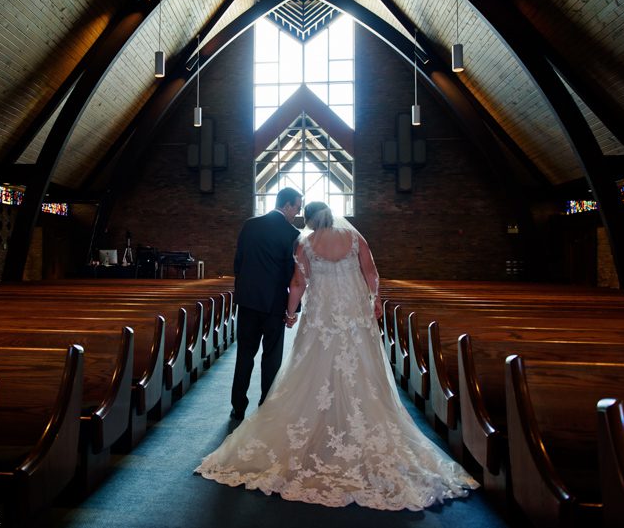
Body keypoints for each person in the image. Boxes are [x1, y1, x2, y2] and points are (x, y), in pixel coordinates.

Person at [196, 201, 478, 510]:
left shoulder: (305, 241)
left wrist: (290, 314)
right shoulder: (355, 238)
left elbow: (298, 283)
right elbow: (371, 272)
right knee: (360, 374)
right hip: (354, 320)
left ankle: (314, 431)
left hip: (321, 321)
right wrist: (375, 299)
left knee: (311, 374)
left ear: (309, 219)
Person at [229, 187, 302, 421]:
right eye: (296, 208)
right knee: (271, 357)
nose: (297, 214)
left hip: (248, 301)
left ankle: (238, 406)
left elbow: (238, 263)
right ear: (288, 205)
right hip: (274, 304)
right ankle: (266, 405)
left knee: (244, 354)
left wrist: (243, 289)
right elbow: (294, 275)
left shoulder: (250, 225)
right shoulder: (292, 234)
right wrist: (293, 310)